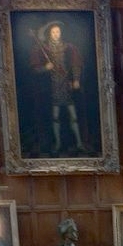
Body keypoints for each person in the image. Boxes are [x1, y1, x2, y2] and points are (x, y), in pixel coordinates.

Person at [30, 20, 86, 155]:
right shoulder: (43, 49)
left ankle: (79, 143)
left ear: (61, 33)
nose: (56, 34)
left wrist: (76, 80)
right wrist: (46, 68)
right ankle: (58, 143)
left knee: (73, 116)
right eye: (53, 32)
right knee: (55, 117)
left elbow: (76, 64)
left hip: (67, 85)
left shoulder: (69, 48)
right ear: (50, 34)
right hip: (52, 86)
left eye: (58, 32)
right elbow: (35, 68)